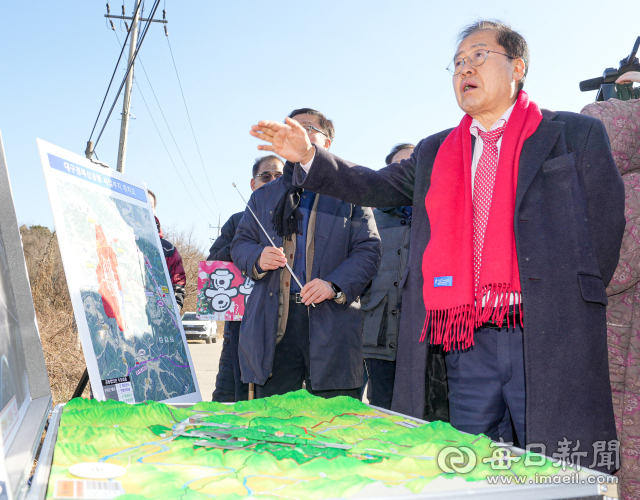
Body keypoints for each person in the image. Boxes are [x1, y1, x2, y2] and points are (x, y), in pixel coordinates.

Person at [249, 22, 625, 472]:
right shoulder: (436, 151)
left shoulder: (573, 134)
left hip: (545, 335)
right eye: (458, 62)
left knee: (556, 470)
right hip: (464, 341)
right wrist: (309, 156)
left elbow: (604, 229)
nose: (464, 68)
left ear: (517, 67)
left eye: (479, 56)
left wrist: (564, 297)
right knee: (467, 465)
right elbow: (372, 184)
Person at [232, 108, 381, 399]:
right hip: (273, 325)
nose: (297, 133)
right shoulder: (263, 195)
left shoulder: (351, 190)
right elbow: (240, 244)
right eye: (291, 128)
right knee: (274, 424)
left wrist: (333, 284)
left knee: (334, 423)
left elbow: (369, 249)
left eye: (308, 127)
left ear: (327, 143)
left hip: (332, 320)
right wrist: (257, 257)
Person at [208, 155, 284, 402]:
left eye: (279, 177)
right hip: (240, 324)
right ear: (253, 184)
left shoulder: (297, 217)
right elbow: (213, 265)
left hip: (282, 323)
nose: (272, 181)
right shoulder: (237, 220)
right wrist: (245, 246)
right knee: (229, 395)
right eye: (266, 176)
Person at [360, 144, 417, 410]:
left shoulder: (440, 214)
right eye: (398, 166)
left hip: (424, 334)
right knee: (381, 408)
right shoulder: (369, 217)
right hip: (378, 332)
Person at [148, 189, 186, 309]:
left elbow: (178, 284)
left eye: (150, 205)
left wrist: (174, 313)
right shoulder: (115, 239)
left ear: (154, 210)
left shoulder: (168, 250)